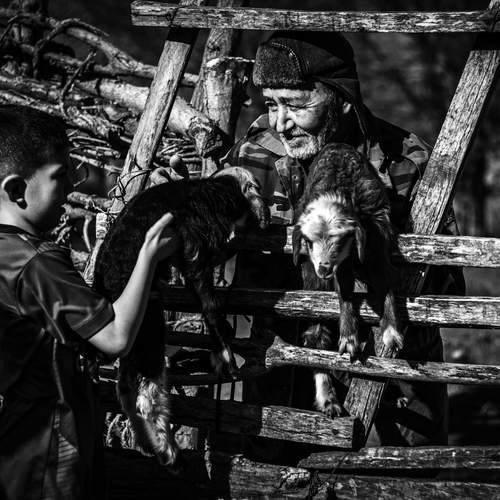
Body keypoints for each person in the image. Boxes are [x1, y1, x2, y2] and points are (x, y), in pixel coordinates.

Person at [222, 31, 465, 459]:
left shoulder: (405, 162)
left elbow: (448, 285)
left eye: (296, 105)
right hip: (286, 375)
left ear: (343, 99)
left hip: (391, 381)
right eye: (272, 105)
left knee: (391, 480)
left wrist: (374, 255)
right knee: (275, 479)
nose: (281, 123)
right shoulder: (258, 154)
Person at [0, 105, 178, 500]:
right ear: (15, 190)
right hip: (54, 442)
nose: (69, 188)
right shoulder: (36, 263)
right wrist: (148, 254)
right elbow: (115, 338)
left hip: (20, 437)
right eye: (59, 175)